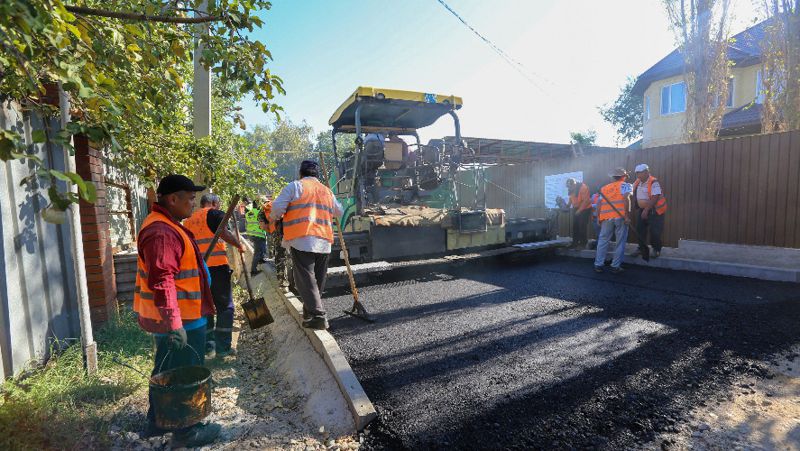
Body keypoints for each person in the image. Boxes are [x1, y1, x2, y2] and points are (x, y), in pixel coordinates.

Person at [133, 174, 221, 446]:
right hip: (182, 320)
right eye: (190, 197)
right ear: (172, 199)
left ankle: (156, 422)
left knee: (166, 369)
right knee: (184, 373)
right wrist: (175, 323)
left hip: (183, 316)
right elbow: (162, 280)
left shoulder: (168, 225)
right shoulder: (161, 232)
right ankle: (187, 432)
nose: (193, 203)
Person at [270, 160, 343, 330]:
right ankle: (309, 313)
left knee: (305, 278)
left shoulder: (295, 186)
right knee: (317, 280)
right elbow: (339, 211)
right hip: (324, 241)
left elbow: (277, 209)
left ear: (301, 174)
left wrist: (275, 218)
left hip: (302, 238)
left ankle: (318, 315)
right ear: (317, 175)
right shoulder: (327, 191)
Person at [183, 193, 245, 359]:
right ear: (213, 203)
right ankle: (223, 347)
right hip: (216, 267)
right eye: (218, 203)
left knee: (206, 307)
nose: (219, 206)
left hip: (197, 270)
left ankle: (207, 346)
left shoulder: (188, 220)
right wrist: (239, 245)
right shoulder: (216, 213)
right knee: (225, 307)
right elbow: (223, 233)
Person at [594, 168, 632, 274]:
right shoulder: (626, 185)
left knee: (603, 241)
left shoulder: (604, 188)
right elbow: (626, 199)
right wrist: (627, 216)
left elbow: (599, 204)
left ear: (612, 178)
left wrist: (598, 217)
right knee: (620, 241)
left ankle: (598, 265)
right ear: (623, 177)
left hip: (606, 217)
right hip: (620, 217)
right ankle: (615, 266)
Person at [632, 164, 667, 259]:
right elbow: (632, 190)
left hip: (655, 210)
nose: (638, 175)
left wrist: (646, 210)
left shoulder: (653, 182)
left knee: (655, 231)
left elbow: (655, 197)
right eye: (637, 173)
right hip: (642, 209)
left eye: (640, 173)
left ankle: (656, 249)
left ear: (646, 172)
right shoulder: (638, 181)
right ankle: (641, 248)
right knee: (640, 229)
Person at [258, 197, 290, 288]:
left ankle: (283, 284)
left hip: (277, 234)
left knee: (280, 256)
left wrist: (269, 230)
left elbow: (262, 225)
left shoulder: (263, 210)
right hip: (290, 230)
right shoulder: (279, 203)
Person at [565, 178, 592, 249]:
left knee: (582, 226)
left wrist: (579, 210)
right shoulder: (571, 188)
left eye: (569, 186)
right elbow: (571, 198)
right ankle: (575, 243)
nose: (569, 188)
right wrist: (568, 205)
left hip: (585, 208)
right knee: (575, 226)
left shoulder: (583, 188)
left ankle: (583, 244)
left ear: (574, 184)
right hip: (576, 208)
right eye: (568, 187)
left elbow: (586, 201)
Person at [244, 199, 267, 276]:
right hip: (258, 233)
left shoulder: (249, 212)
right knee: (257, 252)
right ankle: (253, 271)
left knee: (261, 248)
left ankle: (261, 259)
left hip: (251, 234)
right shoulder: (259, 212)